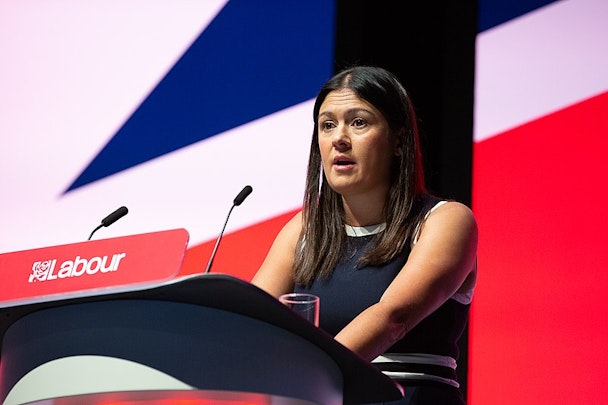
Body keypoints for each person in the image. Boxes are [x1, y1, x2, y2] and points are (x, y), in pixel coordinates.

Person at [251, 66, 478, 404]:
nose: (339, 138)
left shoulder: (445, 220)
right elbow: (252, 320)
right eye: (327, 125)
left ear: (399, 140)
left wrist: (311, 376)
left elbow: (393, 318)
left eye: (358, 122)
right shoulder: (304, 229)